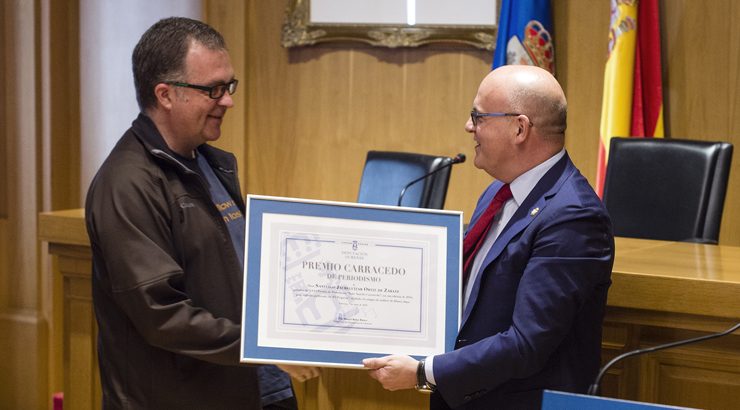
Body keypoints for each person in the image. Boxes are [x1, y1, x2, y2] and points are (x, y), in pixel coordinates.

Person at [85, 17, 317, 409]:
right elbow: (161, 312)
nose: (227, 100)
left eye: (229, 86)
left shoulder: (208, 162)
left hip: (253, 387)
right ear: (166, 94)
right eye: (213, 89)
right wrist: (260, 345)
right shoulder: (126, 184)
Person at [362, 65, 614, 409]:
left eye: (478, 116)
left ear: (520, 128)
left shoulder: (573, 216)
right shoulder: (498, 193)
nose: (469, 126)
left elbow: (526, 344)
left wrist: (424, 372)